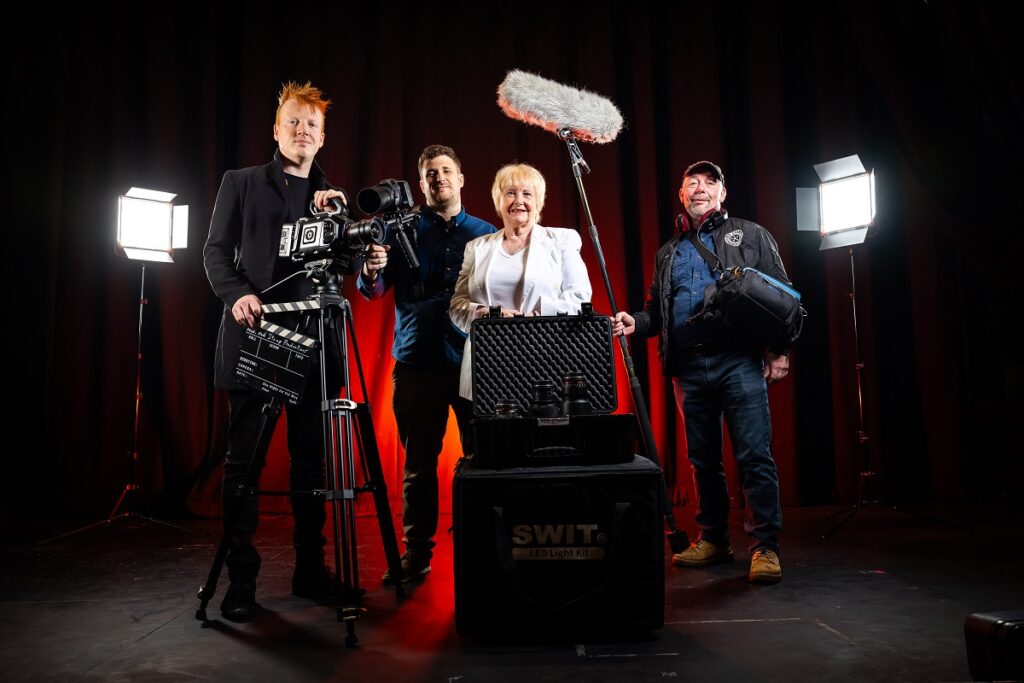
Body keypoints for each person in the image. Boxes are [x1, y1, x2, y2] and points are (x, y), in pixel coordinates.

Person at [204, 81, 349, 621]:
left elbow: (341, 272)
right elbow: (216, 251)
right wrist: (238, 294)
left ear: (323, 136)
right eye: (293, 122)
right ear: (276, 129)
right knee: (243, 468)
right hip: (253, 341)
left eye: (311, 125)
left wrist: (367, 260)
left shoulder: (333, 199)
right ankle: (240, 582)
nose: (302, 131)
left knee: (311, 467)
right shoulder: (240, 183)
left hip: (314, 349)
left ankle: (312, 571)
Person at [612, 160, 794, 584]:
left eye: (710, 181)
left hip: (738, 362)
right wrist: (634, 322)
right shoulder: (668, 253)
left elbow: (782, 297)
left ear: (722, 194)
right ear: (681, 195)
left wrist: (778, 350)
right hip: (688, 370)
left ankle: (765, 546)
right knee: (702, 460)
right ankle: (713, 538)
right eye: (691, 182)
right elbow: (656, 313)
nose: (700, 187)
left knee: (754, 455)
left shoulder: (750, 235)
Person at [357, 145, 496, 582]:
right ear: (421, 185)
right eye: (430, 174)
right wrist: (371, 269)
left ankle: (485, 547)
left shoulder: (487, 233)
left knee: (483, 458)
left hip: (474, 361)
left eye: (446, 171)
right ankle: (416, 555)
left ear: (460, 179)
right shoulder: (401, 230)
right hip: (417, 362)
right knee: (419, 463)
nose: (439, 179)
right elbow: (372, 290)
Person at [449, 163, 592, 399]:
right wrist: (487, 314)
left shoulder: (562, 240)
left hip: (545, 360)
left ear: (539, 202)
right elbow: (457, 305)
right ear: (498, 200)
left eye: (527, 193)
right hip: (487, 364)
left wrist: (535, 318)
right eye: (510, 193)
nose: (519, 200)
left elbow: (579, 299)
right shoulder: (476, 248)